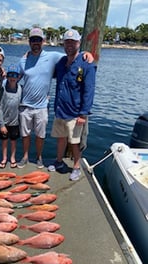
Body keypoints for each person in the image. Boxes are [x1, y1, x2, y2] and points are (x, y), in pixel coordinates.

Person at [17, 27, 94, 169]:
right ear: (29, 42)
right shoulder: (25, 60)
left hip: (51, 108)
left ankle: (49, 160)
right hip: (36, 107)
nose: (36, 42)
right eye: (33, 40)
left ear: (43, 41)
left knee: (70, 140)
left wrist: (86, 53)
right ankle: (31, 157)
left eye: (38, 40)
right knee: (46, 137)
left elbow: (88, 88)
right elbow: (14, 75)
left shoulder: (55, 57)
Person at [50, 29, 96, 181]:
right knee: (61, 138)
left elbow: (89, 91)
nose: (69, 45)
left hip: (75, 113)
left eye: (73, 42)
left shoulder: (86, 64)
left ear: (78, 43)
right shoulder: (62, 62)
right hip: (60, 110)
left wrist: (83, 113)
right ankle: (58, 161)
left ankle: (76, 167)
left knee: (75, 142)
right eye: (67, 42)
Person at [0, 64, 22, 169]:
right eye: (10, 75)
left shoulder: (20, 88)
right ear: (7, 76)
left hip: (15, 121)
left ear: (18, 77)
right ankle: (4, 158)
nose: (12, 77)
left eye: (15, 75)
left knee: (13, 141)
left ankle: (12, 158)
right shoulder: (2, 88)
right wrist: (1, 124)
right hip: (4, 121)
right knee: (4, 141)